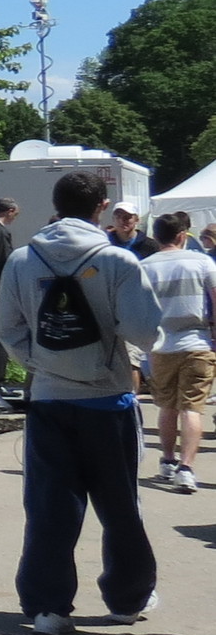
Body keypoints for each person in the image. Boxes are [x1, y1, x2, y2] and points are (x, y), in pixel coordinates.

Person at [0, 171, 162, 635]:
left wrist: (46, 363)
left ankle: (49, 607)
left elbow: (8, 330)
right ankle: (127, 600)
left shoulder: (22, 259)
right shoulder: (117, 261)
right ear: (102, 207)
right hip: (108, 399)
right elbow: (145, 332)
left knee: (50, 507)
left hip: (49, 399)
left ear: (55, 203)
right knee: (120, 506)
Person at [142, 211, 216, 493]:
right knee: (192, 407)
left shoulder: (146, 266)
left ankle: (168, 460)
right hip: (196, 341)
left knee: (166, 405)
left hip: (161, 345)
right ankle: (187, 468)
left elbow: (140, 309)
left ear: (156, 236)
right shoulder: (202, 262)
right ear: (182, 235)